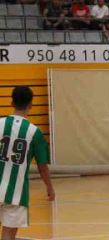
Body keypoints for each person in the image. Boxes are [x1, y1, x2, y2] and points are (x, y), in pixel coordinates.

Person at [0, 87, 55, 240]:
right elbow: (42, 166)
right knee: (8, 236)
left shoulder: (0, 124)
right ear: (31, 104)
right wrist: (49, 187)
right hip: (16, 192)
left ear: (11, 102)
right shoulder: (34, 132)